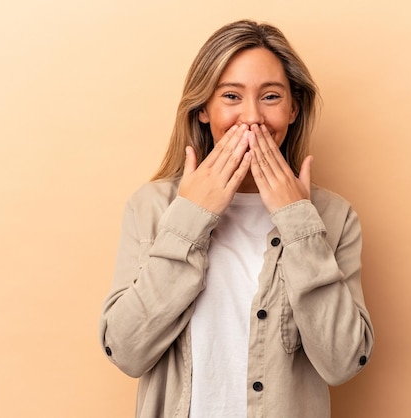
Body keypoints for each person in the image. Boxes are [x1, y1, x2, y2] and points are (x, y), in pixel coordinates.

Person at [99, 19, 374, 418]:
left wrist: (297, 221)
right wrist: (191, 218)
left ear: (293, 108)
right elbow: (125, 351)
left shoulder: (334, 217)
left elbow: (344, 362)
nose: (252, 117)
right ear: (204, 110)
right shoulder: (151, 207)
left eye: (271, 96)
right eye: (231, 96)